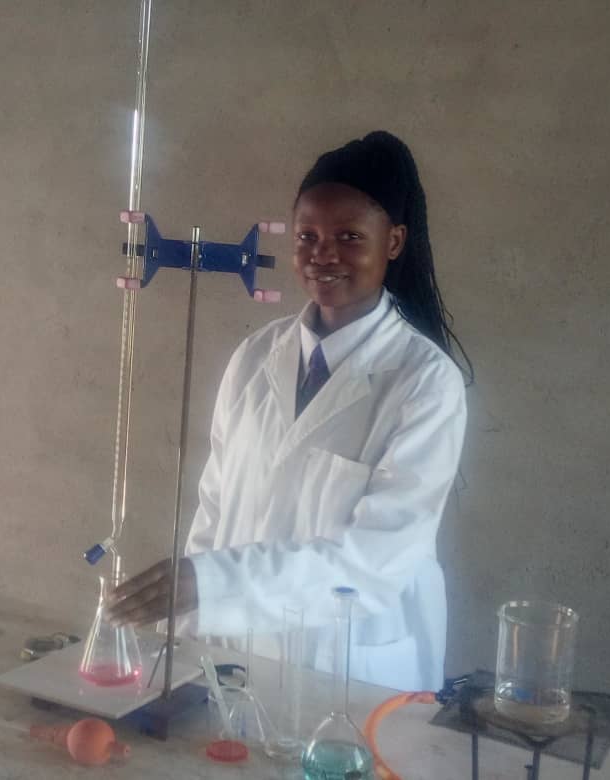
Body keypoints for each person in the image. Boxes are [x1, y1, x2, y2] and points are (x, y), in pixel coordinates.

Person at [105, 130, 468, 692]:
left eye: (349, 236)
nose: (323, 254)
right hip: (235, 660)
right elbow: (215, 509)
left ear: (394, 241)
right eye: (307, 236)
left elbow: (375, 560)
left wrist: (212, 583)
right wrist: (187, 632)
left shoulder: (425, 382)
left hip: (348, 671)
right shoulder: (256, 357)